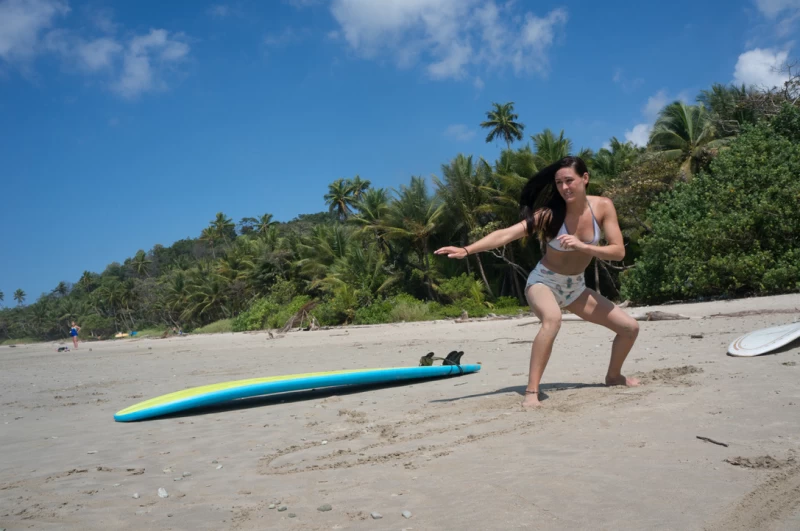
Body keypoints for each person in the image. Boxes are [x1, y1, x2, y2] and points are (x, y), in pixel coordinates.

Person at [434, 156, 640, 407]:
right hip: (544, 282)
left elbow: (618, 252)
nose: (565, 187)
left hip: (575, 288)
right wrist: (467, 250)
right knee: (552, 320)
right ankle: (532, 391)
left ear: (585, 179)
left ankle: (613, 376)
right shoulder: (549, 215)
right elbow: (507, 234)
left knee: (630, 328)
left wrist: (583, 246)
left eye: (569, 181)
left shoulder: (603, 207)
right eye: (559, 183)